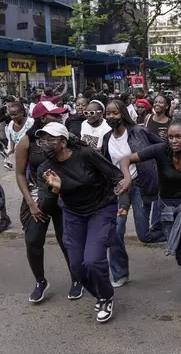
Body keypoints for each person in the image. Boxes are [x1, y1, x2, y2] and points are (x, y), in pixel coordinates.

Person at [119, 119, 181, 313]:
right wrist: (127, 178)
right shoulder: (160, 150)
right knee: (179, 255)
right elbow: (125, 159)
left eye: (178, 136)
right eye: (170, 137)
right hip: (168, 208)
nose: (174, 141)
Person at [36, 122, 124, 323]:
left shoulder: (85, 155)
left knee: (92, 260)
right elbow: (46, 206)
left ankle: (105, 296)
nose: (45, 144)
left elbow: (115, 176)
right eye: (42, 140)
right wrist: (56, 190)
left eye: (50, 139)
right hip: (74, 214)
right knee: (76, 266)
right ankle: (100, 294)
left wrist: (123, 201)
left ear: (63, 142)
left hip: (101, 209)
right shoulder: (45, 169)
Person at [15, 101, 81, 303]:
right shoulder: (27, 142)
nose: (61, 116)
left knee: (67, 241)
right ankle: (40, 281)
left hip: (64, 198)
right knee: (33, 241)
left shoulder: (65, 139)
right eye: (55, 115)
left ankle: (77, 279)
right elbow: (19, 174)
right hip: (38, 197)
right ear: (43, 119)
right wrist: (30, 203)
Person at [101, 99, 166, 286]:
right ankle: (121, 273)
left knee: (144, 234)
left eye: (115, 113)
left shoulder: (138, 132)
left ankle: (175, 234)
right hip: (120, 189)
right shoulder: (107, 138)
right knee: (115, 231)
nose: (111, 116)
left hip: (140, 186)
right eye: (108, 113)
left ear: (123, 114)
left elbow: (162, 147)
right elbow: (106, 163)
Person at [4, 102, 34, 170]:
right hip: (19, 156)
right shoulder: (11, 124)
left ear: (22, 112)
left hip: (31, 156)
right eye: (11, 115)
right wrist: (10, 152)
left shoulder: (31, 123)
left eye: (15, 114)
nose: (13, 117)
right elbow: (12, 139)